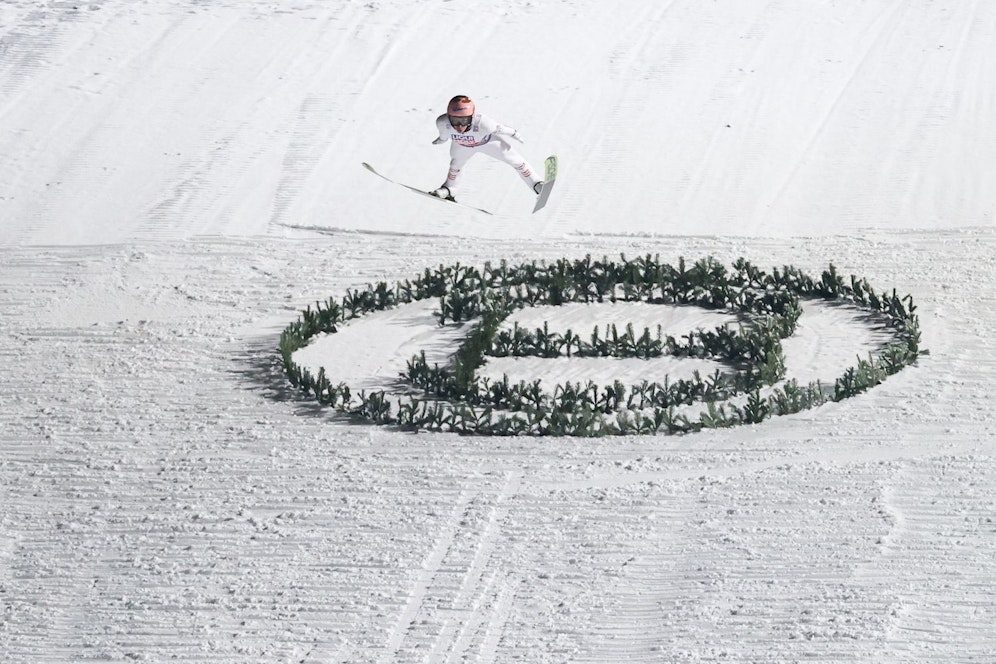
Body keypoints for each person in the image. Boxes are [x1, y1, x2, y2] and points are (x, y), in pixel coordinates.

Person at [430, 95, 543, 202]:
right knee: (455, 166)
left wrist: (514, 133)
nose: (459, 126)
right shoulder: (442, 122)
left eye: (464, 121)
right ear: (448, 117)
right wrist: (441, 139)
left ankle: (536, 184)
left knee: (516, 161)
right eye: (455, 120)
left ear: (472, 117)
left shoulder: (483, 123)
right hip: (462, 146)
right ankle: (449, 189)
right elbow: (444, 135)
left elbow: (500, 128)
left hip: (487, 143)